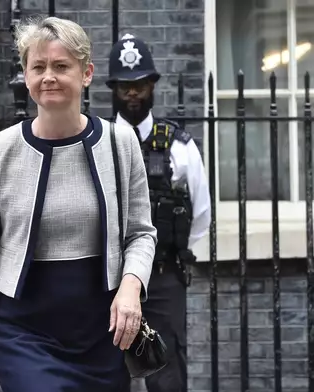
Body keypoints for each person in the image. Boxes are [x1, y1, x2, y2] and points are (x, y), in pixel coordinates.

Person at [0, 17, 158, 392]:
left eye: (61, 66)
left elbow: (141, 234)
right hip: (25, 328)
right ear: (25, 75)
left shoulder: (120, 143)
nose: (48, 77)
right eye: (37, 66)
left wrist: (130, 288)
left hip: (101, 325)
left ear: (86, 73)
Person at [106, 34, 211, 392]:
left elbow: (201, 214)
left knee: (167, 375)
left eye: (139, 85)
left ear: (152, 86)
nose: (132, 93)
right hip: (108, 277)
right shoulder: (98, 142)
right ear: (113, 89)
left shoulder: (179, 146)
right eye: (124, 87)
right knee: (105, 370)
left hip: (164, 276)